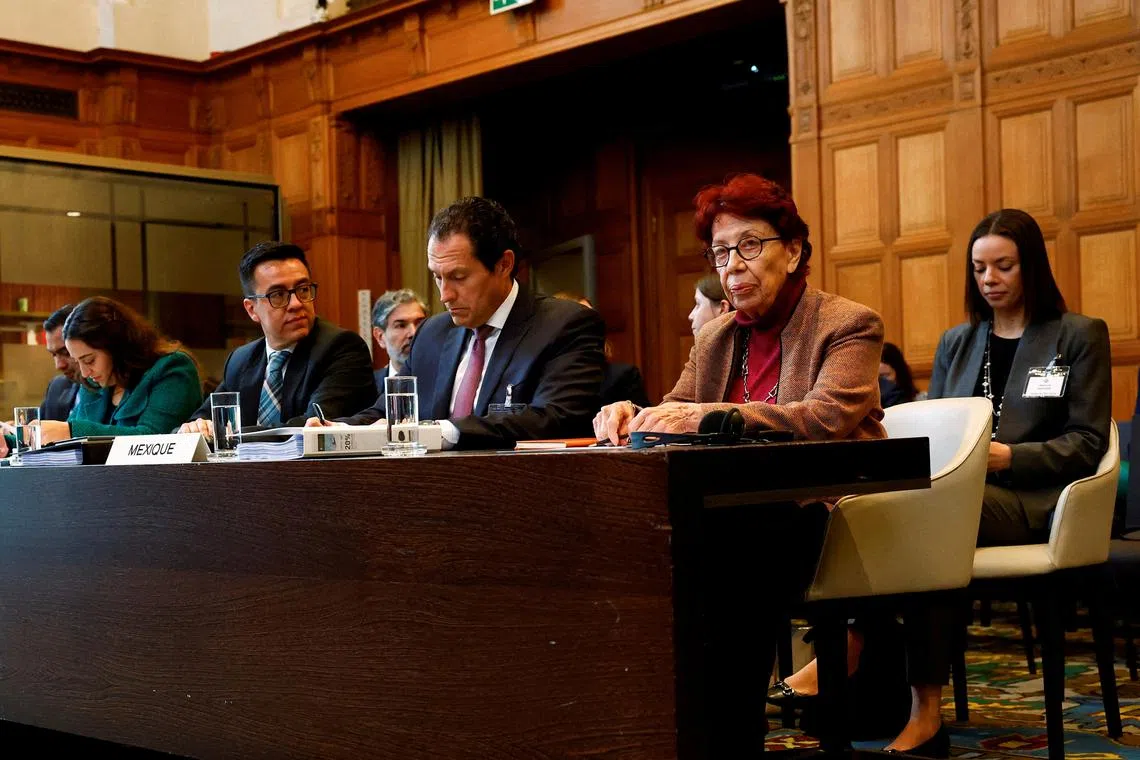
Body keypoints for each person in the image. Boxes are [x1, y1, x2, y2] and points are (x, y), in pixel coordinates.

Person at [774, 209, 1112, 757]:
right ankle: (917, 709)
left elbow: (1089, 441)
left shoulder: (1077, 335)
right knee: (888, 513)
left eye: (1004, 266)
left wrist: (1010, 458)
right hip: (958, 495)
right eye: (979, 268)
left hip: (1036, 498)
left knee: (937, 521)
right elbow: (943, 419)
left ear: (1032, 267)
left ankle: (856, 644)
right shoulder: (958, 341)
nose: (990, 279)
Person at [593, 173, 885, 752]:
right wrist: (633, 413)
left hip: (827, 509)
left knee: (729, 550)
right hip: (734, 511)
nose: (732, 264)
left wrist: (712, 417)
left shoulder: (849, 323)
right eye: (721, 251)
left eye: (750, 245)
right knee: (658, 540)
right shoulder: (719, 335)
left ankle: (729, 737)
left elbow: (824, 418)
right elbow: (677, 407)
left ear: (793, 250)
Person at [318, 197, 606, 450]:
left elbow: (554, 418)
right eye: (437, 276)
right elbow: (388, 412)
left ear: (504, 264)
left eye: (458, 277)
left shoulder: (565, 325)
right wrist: (339, 429)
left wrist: (444, 431)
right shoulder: (432, 332)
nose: (444, 295)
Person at [180, 241, 375, 436]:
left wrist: (225, 434)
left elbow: (311, 426)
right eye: (278, 295)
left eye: (303, 289)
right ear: (252, 309)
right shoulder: (241, 360)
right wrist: (194, 428)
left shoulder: (342, 348)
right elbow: (200, 421)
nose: (296, 304)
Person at [33, 297, 203, 444]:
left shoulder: (172, 368)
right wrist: (15, 438)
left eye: (89, 360)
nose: (84, 373)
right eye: (78, 362)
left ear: (116, 346)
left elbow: (154, 438)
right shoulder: (95, 382)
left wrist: (71, 431)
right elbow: (67, 437)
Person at [552, 291, 650, 408]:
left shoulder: (622, 376)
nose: (592, 327)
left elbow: (643, 422)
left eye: (593, 320)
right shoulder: (537, 379)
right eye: (582, 320)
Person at [371, 288, 428, 390]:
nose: (413, 333)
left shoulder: (446, 379)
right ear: (380, 337)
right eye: (401, 325)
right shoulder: (368, 387)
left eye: (419, 323)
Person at [39, 304, 81, 421]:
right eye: (53, 354)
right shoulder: (57, 387)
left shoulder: (112, 388)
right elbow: (39, 430)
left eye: (66, 352)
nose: (59, 365)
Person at [879, 342, 919, 407]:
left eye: (884, 376)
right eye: (876, 378)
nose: (881, 382)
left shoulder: (918, 404)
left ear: (899, 374)